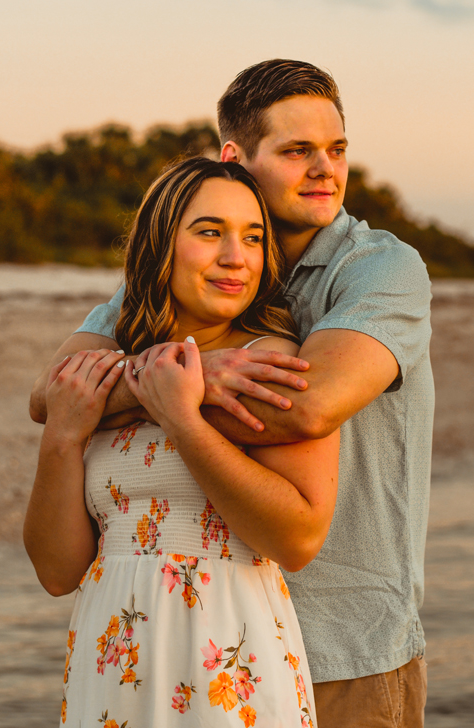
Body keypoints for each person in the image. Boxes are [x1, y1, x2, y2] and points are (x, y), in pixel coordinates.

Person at [31, 60, 433, 727]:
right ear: (235, 159)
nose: (325, 170)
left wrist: (170, 392)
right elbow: (51, 398)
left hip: (345, 644)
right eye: (297, 151)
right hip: (142, 650)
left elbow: (304, 406)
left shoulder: (379, 269)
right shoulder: (192, 267)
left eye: (336, 151)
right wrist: (192, 369)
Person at [25, 157, 337, 727]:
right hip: (112, 661)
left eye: (253, 237)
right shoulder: (106, 364)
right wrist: (64, 439)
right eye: (209, 232)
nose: (235, 257)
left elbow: (297, 539)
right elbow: (56, 571)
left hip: (228, 662)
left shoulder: (271, 364)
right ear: (160, 244)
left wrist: (185, 424)